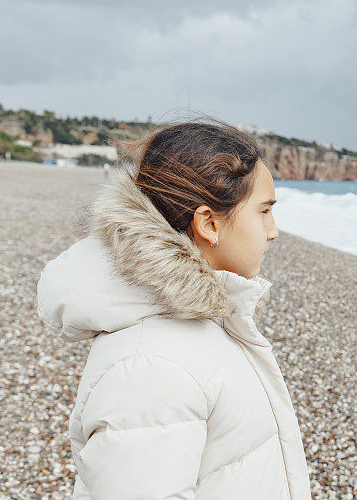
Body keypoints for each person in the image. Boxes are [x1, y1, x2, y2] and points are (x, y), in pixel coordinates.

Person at [36, 121, 311, 499]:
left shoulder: (205, 322)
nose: (273, 230)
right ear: (208, 223)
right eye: (264, 211)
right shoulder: (152, 365)